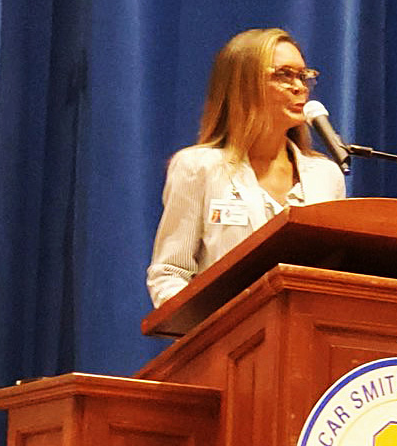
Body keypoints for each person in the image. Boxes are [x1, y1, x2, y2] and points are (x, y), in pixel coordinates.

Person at [147, 27, 347, 308]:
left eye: (303, 76)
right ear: (242, 85)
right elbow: (170, 273)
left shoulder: (326, 176)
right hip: (224, 346)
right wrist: (208, 334)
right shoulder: (198, 167)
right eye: (283, 75)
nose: (299, 87)